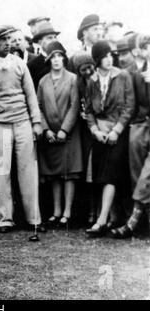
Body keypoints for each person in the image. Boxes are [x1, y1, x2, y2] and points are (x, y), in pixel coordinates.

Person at [0, 25, 45, 233]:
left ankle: (34, 219)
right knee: (1, 172)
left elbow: (30, 95)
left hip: (22, 122)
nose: (8, 43)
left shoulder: (19, 64)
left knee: (28, 171)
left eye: (10, 39)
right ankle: (5, 219)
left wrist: (36, 122)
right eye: (3, 40)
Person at [85, 41, 135, 237]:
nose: (109, 59)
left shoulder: (122, 76)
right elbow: (88, 110)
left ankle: (101, 220)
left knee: (110, 174)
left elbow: (129, 107)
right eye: (104, 56)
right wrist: (95, 130)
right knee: (102, 176)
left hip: (118, 133)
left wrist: (116, 130)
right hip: (99, 134)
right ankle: (112, 217)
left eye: (110, 56)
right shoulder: (92, 80)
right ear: (97, 60)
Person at [37, 41, 82, 228]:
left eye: (59, 56)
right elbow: (38, 107)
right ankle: (56, 211)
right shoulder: (43, 81)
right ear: (49, 60)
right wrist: (46, 129)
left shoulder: (72, 78)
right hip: (51, 135)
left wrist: (64, 129)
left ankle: (67, 212)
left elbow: (75, 105)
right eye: (52, 57)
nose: (56, 60)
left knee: (69, 173)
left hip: (68, 133)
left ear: (64, 58)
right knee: (54, 174)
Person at [110, 35, 150, 238]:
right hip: (140, 126)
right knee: (137, 175)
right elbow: (131, 104)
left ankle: (133, 223)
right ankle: (142, 222)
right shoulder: (132, 73)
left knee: (146, 176)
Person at [72, 51, 99, 226]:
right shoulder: (79, 84)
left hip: (102, 128)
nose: (88, 72)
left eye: (90, 67)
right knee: (89, 173)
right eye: (83, 70)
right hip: (86, 132)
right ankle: (90, 211)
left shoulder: (101, 81)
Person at [28, 21, 60, 90]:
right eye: (50, 38)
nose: (54, 40)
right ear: (40, 42)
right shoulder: (32, 65)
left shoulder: (64, 60)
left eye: (55, 37)